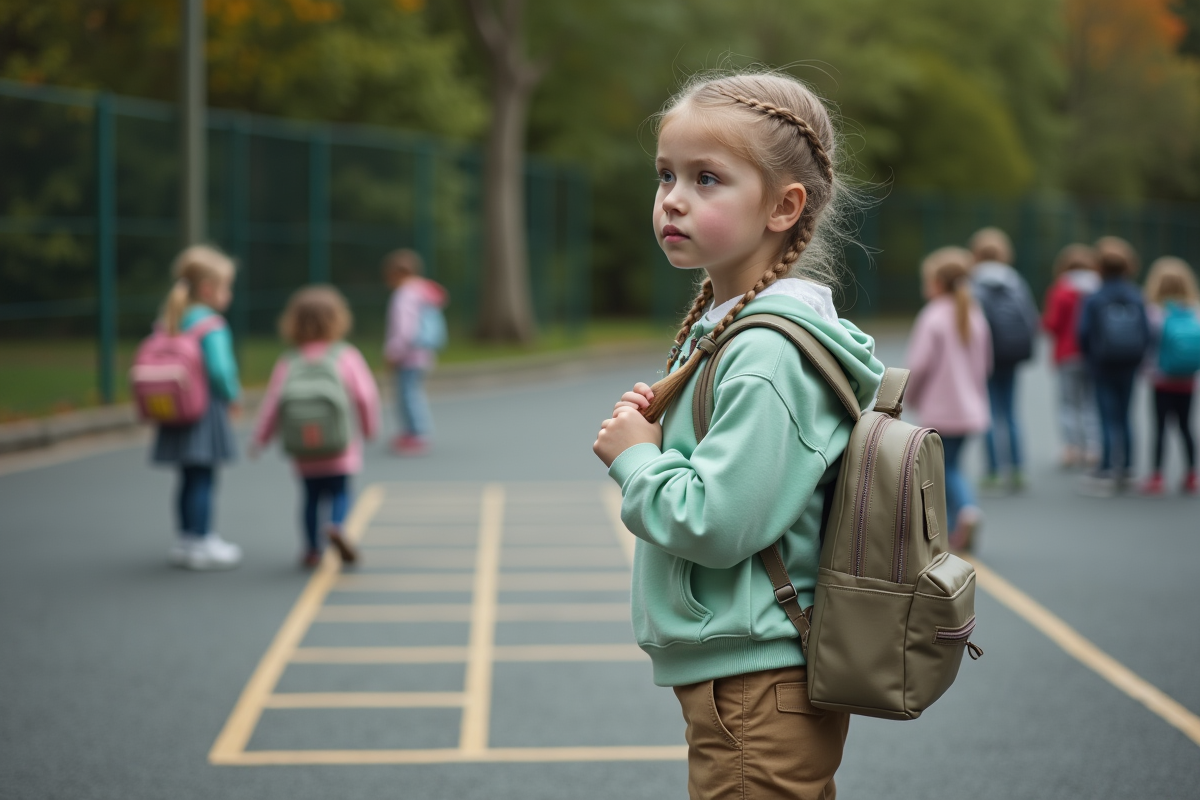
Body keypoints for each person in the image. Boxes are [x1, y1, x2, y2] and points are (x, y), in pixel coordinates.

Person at [592, 71, 884, 800]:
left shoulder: (766, 354)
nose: (674, 198)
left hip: (758, 682)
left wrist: (636, 463)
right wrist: (663, 436)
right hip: (750, 675)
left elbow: (719, 521)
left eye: (708, 178)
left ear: (784, 206)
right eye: (666, 175)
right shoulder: (733, 333)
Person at [251, 286, 380, 568]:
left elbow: (273, 403)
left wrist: (260, 439)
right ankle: (336, 526)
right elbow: (365, 396)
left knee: (310, 497)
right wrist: (370, 428)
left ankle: (311, 549)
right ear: (339, 319)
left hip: (303, 448)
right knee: (340, 491)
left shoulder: (290, 360)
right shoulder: (346, 356)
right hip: (340, 444)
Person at [151, 245, 244, 570]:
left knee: (187, 477)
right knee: (204, 475)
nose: (228, 294)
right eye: (225, 287)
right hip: (204, 411)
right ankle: (203, 540)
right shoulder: (211, 324)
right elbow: (220, 369)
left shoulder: (172, 319)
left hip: (176, 410)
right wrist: (234, 395)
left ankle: (185, 539)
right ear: (208, 288)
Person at [906, 247, 992, 551]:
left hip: (941, 409)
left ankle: (963, 516)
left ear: (938, 283)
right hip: (971, 409)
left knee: (944, 470)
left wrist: (909, 396)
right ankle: (959, 521)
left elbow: (919, 365)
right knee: (952, 465)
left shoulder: (932, 316)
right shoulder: (974, 314)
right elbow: (986, 365)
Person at [1077, 237, 1150, 496]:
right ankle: (1128, 468)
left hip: (1103, 363)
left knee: (1106, 416)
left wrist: (1091, 356)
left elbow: (1084, 332)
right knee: (1126, 415)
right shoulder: (1136, 294)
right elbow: (1146, 330)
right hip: (1129, 362)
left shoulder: (1095, 297)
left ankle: (1107, 468)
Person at [969, 227, 1039, 493]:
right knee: (1010, 411)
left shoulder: (972, 283)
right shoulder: (1015, 281)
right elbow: (1031, 318)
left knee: (988, 412)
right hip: (1011, 354)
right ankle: (1018, 468)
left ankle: (994, 471)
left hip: (986, 356)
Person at [1140, 256, 1200, 495]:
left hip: (1161, 379)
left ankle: (1156, 476)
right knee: (1186, 427)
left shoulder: (1154, 313)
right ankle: (1191, 474)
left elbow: (1148, 346)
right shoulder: (1195, 312)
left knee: (1160, 427)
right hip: (1187, 381)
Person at [382, 249, 448, 455]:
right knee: (412, 393)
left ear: (398, 273)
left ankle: (417, 433)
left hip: (408, 355)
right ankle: (413, 430)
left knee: (407, 394)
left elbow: (404, 329)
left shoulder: (404, 295)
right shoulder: (421, 291)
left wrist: (394, 353)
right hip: (423, 353)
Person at [1042, 244, 1101, 469]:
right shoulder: (1097, 288)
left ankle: (1071, 448)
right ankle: (1093, 447)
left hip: (1067, 353)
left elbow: (1053, 324)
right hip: (1093, 354)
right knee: (1090, 402)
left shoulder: (1060, 290)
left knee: (1068, 403)